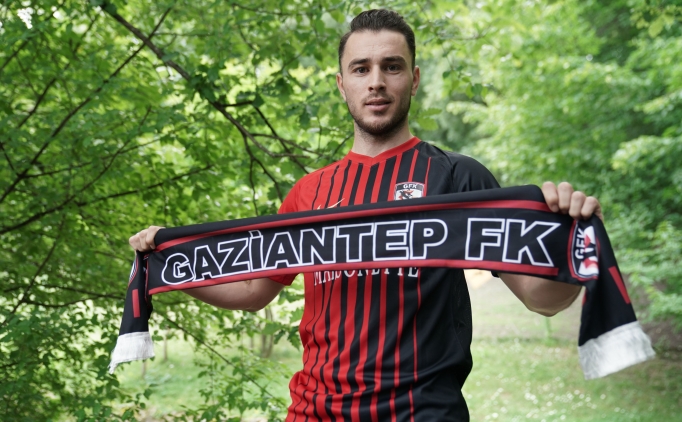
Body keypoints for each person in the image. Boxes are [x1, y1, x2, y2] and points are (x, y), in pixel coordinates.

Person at [129, 9, 603, 421]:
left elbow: (543, 299)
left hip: (423, 412)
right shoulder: (309, 192)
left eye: (391, 66)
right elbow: (254, 291)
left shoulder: (459, 177)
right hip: (313, 412)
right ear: (343, 84)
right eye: (361, 68)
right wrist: (166, 265)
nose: (376, 81)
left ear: (414, 78)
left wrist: (573, 238)